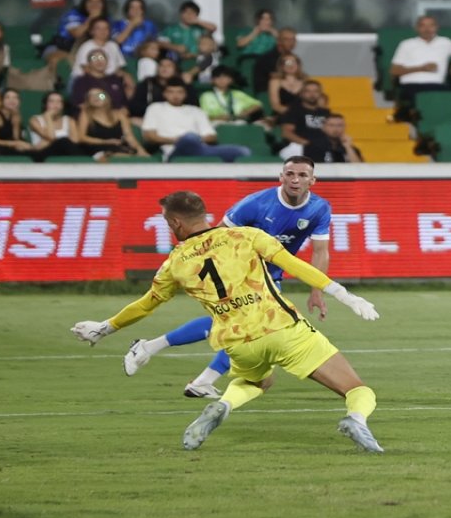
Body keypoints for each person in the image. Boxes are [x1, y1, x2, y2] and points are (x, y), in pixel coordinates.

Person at [71, 189, 385, 453]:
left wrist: (105, 327)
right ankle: (356, 420)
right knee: (357, 390)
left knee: (256, 381)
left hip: (237, 343)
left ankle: (225, 405)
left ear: (176, 223)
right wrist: (347, 296)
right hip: (283, 329)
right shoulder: (246, 236)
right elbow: (296, 266)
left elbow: (145, 306)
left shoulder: (175, 263)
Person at [119, 159, 336, 395]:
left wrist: (317, 291)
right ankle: (193, 374)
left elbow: (320, 250)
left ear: (312, 180)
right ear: (281, 177)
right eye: (290, 174)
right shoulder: (254, 204)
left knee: (239, 326)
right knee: (245, 327)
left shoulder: (319, 208)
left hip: (270, 277)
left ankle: (155, 351)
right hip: (242, 275)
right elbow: (216, 235)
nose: (296, 179)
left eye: (302, 175)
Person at [142, 80, 250, 162]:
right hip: (174, 151)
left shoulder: (196, 110)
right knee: (189, 137)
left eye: (180, 92)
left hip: (200, 147)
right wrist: (177, 140)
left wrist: (195, 140)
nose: (175, 96)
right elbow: (150, 136)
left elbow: (211, 136)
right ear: (164, 94)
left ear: (185, 94)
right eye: (171, 92)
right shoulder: (155, 108)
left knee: (242, 151)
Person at [390, 16, 451, 108]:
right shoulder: (406, 44)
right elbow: (394, 70)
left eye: (431, 26)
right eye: (423, 26)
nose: (427, 29)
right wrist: (422, 68)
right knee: (422, 104)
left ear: (437, 27)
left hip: (437, 86)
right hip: (412, 85)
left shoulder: (445, 42)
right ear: (416, 28)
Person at [78, 88, 148, 160]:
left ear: (106, 97)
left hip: (119, 148)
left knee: (133, 154)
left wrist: (140, 150)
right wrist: (105, 142)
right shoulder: (86, 115)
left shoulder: (120, 115)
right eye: (91, 96)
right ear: (88, 101)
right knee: (118, 156)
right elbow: (82, 137)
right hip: (97, 149)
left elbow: (129, 136)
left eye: (100, 95)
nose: (96, 97)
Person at [46, 0, 108, 65]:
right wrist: (91, 18)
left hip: (89, 51)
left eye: (98, 2)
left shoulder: (107, 18)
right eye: (90, 1)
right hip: (60, 48)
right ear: (84, 4)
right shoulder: (73, 14)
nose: (94, 5)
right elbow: (77, 34)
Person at [278, 80, 332, 153]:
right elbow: (286, 133)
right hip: (299, 147)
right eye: (308, 91)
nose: (312, 94)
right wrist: (307, 144)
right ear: (301, 94)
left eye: (315, 91)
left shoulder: (325, 112)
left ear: (320, 94)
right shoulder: (293, 111)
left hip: (322, 147)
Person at [71, 49, 131, 113]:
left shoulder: (115, 79)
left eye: (101, 58)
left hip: (118, 116)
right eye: (94, 58)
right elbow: (80, 104)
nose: (99, 61)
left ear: (107, 61)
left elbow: (123, 103)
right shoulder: (81, 82)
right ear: (89, 63)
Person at [0, 89, 33, 158]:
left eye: (15, 98)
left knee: (32, 152)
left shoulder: (16, 116)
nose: (12, 100)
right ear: (1, 101)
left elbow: (15, 138)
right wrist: (15, 143)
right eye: (7, 97)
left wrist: (16, 124)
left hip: (8, 148)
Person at [29, 91, 82, 161]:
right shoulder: (35, 120)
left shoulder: (69, 120)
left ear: (62, 105)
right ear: (45, 104)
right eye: (51, 101)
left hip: (66, 153)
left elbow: (75, 141)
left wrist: (47, 141)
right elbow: (51, 136)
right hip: (42, 154)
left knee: (65, 142)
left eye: (59, 102)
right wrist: (48, 117)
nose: (55, 104)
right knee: (64, 141)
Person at [254, 28, 296, 94]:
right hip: (269, 93)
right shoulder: (266, 59)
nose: (291, 42)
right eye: (286, 39)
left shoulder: (292, 58)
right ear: (278, 41)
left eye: (293, 39)